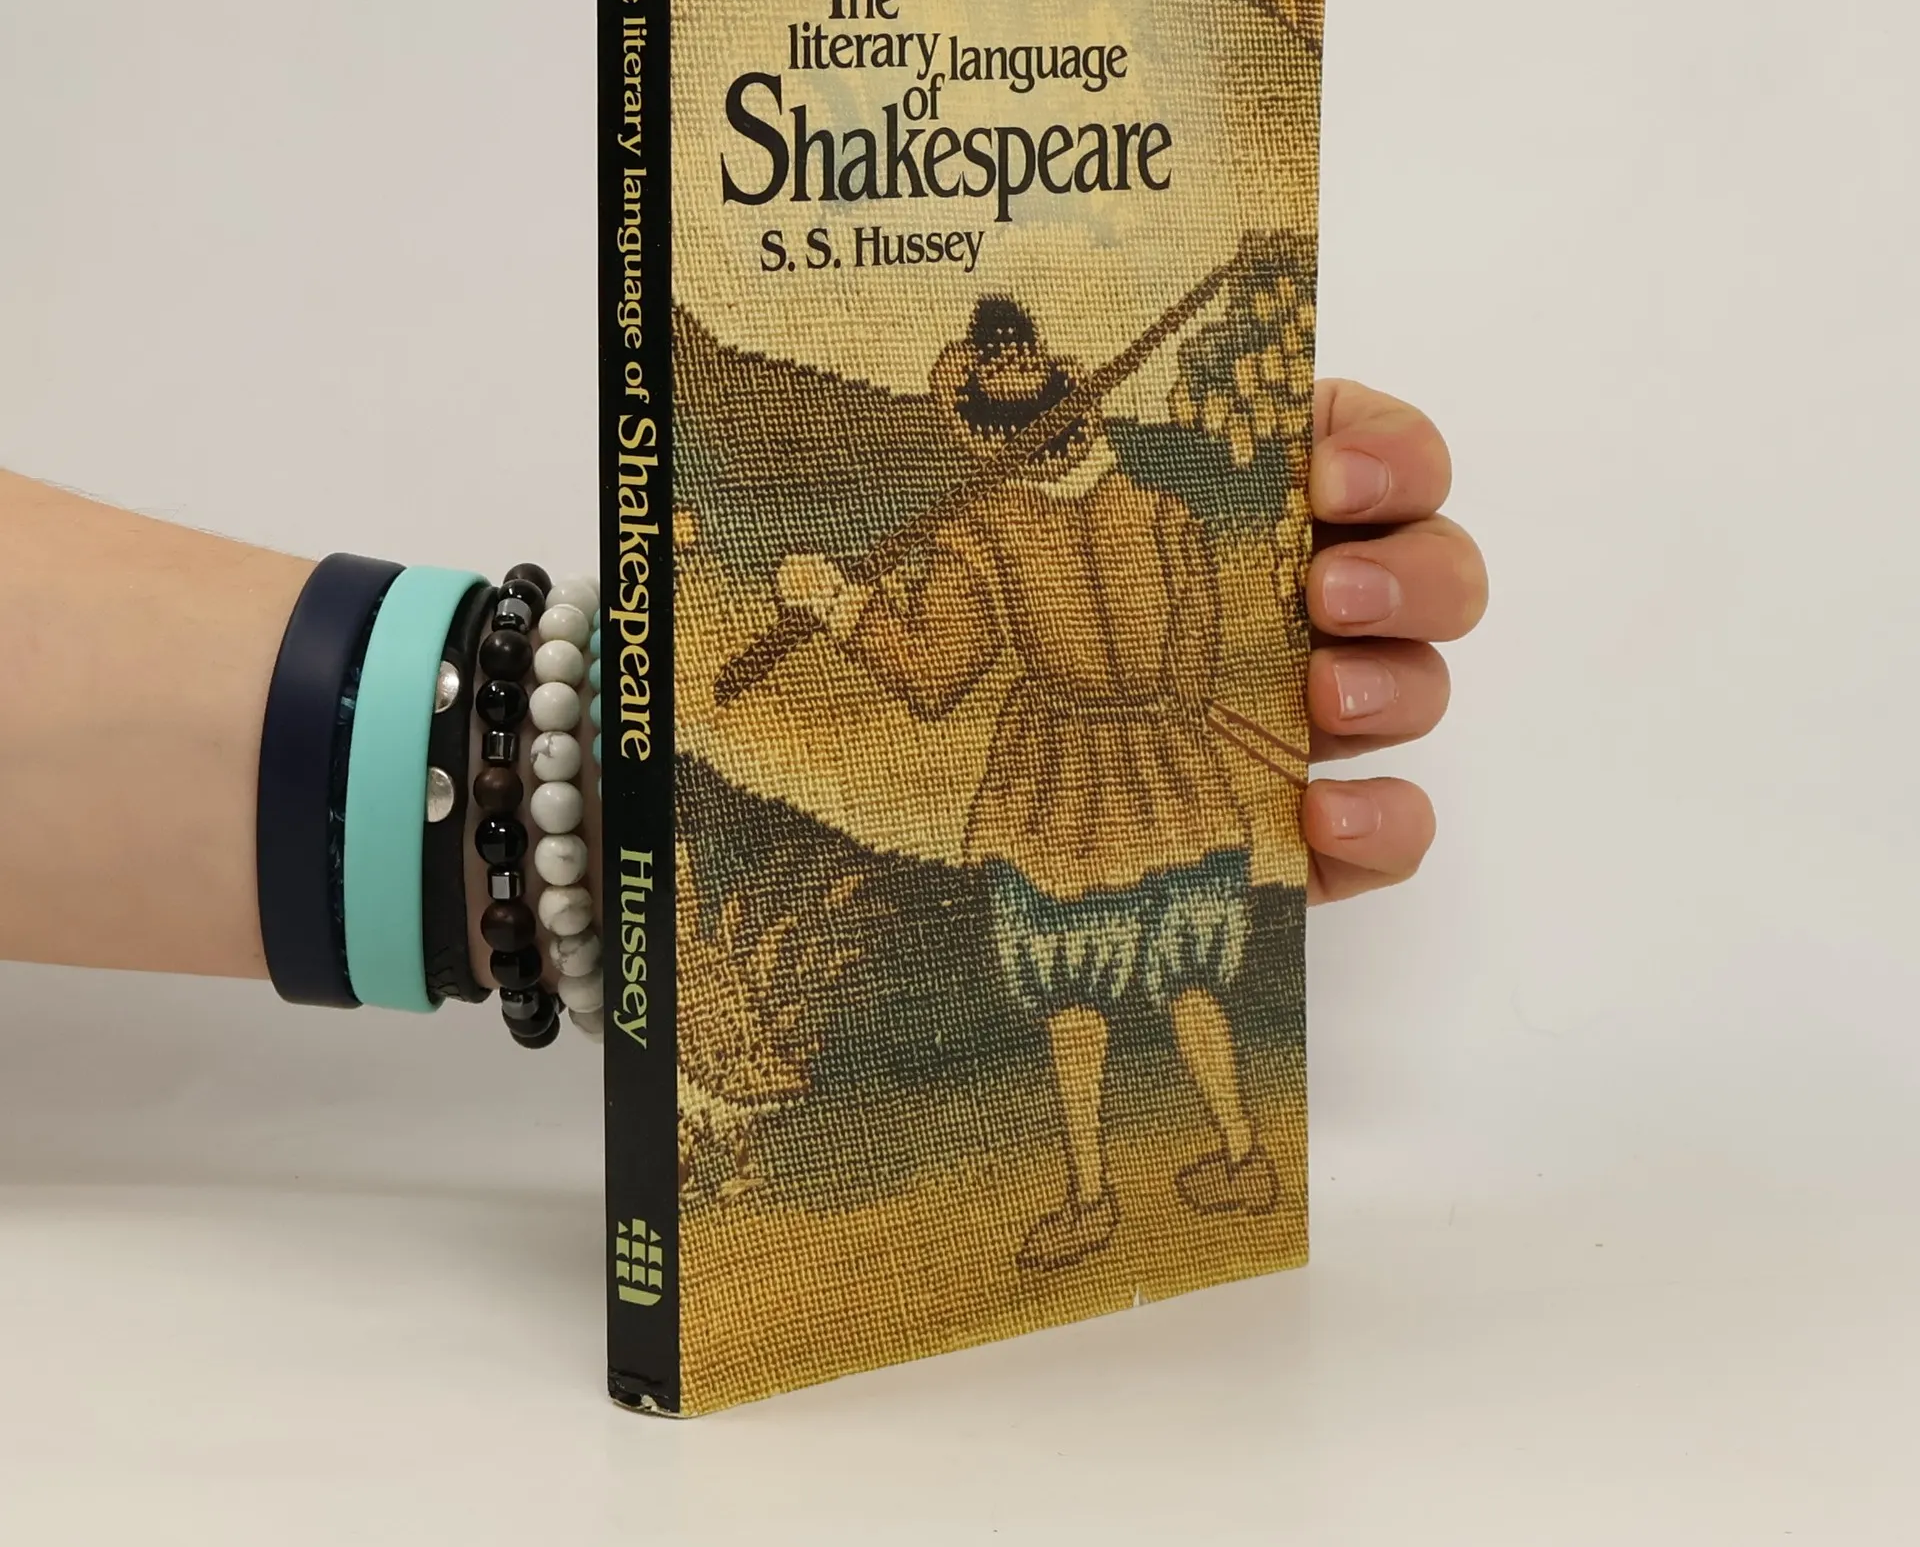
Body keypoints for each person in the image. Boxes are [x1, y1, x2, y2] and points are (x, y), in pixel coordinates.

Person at [0, 371, 1486, 1033]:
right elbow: (957, 668)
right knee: (1126, 980)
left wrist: (819, 620)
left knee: (1108, 985)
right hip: (1130, 772)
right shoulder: (1106, 524)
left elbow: (946, 670)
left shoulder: (1068, 524)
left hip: (1094, 772)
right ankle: (1114, 1178)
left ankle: (1120, 1174)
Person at [775, 299, 1488, 1268]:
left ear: (985, 437)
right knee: (1189, 982)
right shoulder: (1165, 517)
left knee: (1076, 999)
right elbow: (1192, 676)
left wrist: (839, 604)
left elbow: (935, 674)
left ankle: (1090, 1194)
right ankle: (1243, 1153)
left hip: (1061, 799)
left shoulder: (984, 536)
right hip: (1176, 781)